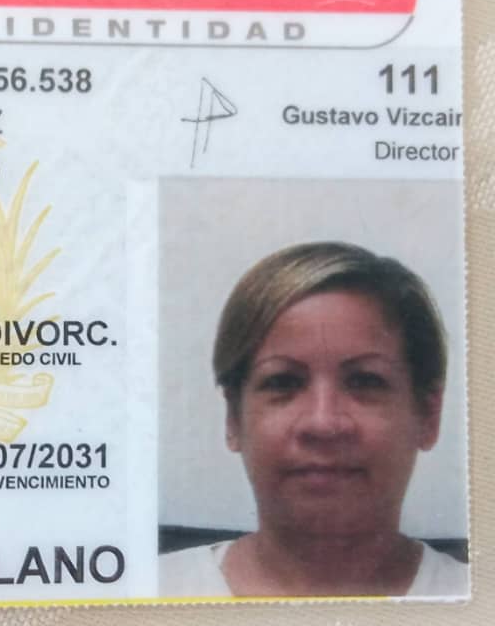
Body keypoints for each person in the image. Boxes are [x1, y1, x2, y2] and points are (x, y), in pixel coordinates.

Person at [159, 242, 467, 598]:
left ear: (428, 415)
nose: (323, 423)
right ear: (233, 418)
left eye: (365, 381)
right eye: (283, 382)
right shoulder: (140, 594)